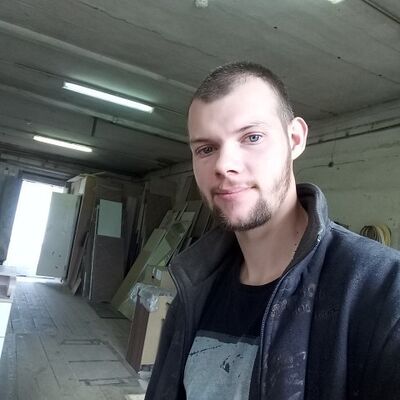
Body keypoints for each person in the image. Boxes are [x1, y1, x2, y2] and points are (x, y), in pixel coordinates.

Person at [145, 62, 400, 399]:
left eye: (252, 137)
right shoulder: (194, 290)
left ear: (295, 139)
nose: (224, 165)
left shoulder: (382, 289)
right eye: (206, 149)